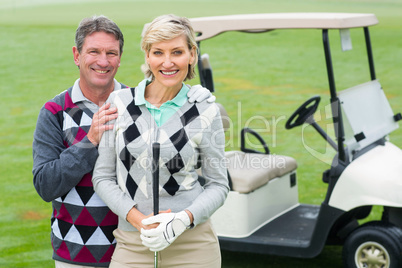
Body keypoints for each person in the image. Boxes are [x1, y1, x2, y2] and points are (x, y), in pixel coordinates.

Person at [32, 15, 214, 268]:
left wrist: (192, 97)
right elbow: (46, 185)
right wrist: (90, 140)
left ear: (120, 57)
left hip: (135, 243)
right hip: (78, 252)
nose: (103, 61)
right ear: (77, 55)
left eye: (111, 53)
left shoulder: (136, 104)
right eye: (93, 52)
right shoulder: (55, 111)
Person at [92, 14, 229, 267]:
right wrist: (138, 219)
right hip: (133, 244)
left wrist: (183, 220)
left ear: (192, 55)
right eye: (158, 52)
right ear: (147, 56)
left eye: (177, 52)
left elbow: (219, 185)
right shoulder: (119, 104)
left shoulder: (206, 110)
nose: (167, 63)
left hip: (193, 245)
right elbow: (102, 177)